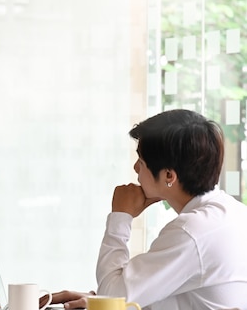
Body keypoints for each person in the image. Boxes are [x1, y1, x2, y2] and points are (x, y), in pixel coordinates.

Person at [42, 109, 247, 309]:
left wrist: (121, 216)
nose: (135, 169)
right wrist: (100, 299)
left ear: (169, 176)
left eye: (141, 161)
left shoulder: (191, 232)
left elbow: (112, 297)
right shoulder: (234, 213)